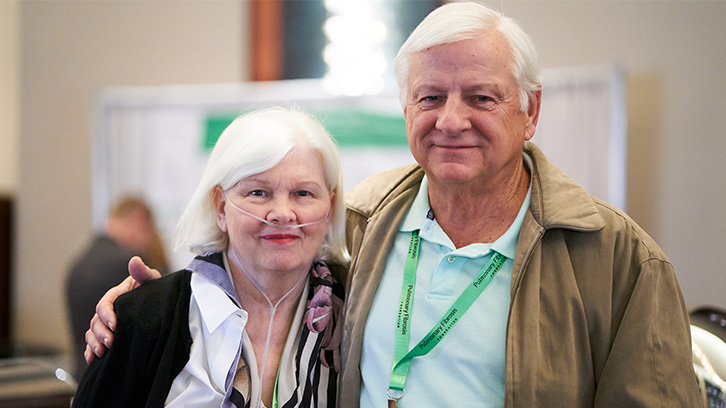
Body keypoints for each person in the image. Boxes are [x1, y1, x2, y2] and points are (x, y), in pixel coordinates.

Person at [85, 3, 702, 407]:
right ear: (406, 109)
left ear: (531, 110)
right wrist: (140, 314)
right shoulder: (358, 220)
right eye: (430, 96)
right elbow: (246, 276)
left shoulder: (619, 261)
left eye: (482, 97)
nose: (451, 120)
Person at [73, 107, 347, 408]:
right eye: (258, 192)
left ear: (330, 208)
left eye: (303, 194)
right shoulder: (145, 318)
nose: (282, 213)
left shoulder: (357, 315)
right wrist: (134, 316)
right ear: (220, 207)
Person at [65, 196, 168, 380]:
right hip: (115, 384)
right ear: (139, 220)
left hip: (82, 378)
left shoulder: (79, 263)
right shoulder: (130, 267)